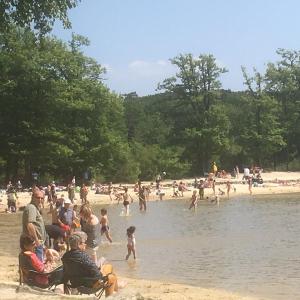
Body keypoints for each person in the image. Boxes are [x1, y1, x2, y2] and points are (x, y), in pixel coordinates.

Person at [62, 232, 118, 297]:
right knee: (112, 277)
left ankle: (116, 291)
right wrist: (103, 276)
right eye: (83, 243)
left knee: (108, 267)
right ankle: (112, 295)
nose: (85, 244)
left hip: (76, 284)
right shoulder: (83, 256)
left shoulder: (65, 257)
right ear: (78, 244)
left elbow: (65, 275)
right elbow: (97, 274)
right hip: (90, 285)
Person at [22, 189, 47, 262]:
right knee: (38, 268)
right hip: (34, 245)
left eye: (42, 198)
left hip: (37, 244)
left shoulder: (35, 208)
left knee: (37, 266)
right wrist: (36, 241)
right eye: (37, 197)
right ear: (32, 197)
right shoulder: (31, 208)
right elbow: (29, 225)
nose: (40, 200)